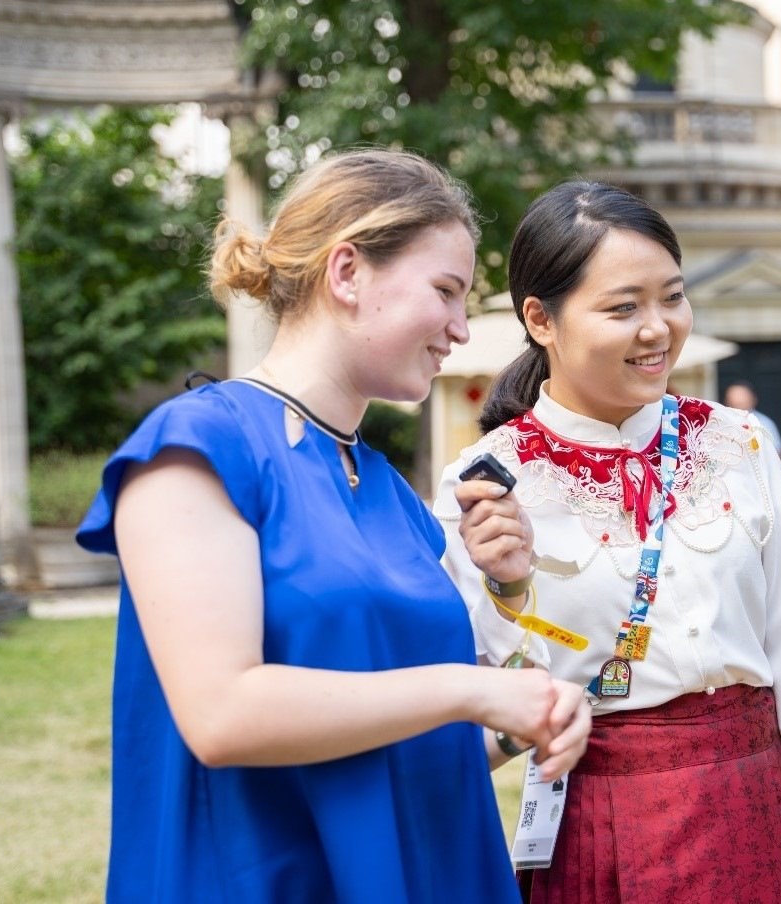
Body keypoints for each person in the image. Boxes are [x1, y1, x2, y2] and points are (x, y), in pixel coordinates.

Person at [75, 149, 591, 904]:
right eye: (445, 292)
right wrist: (472, 690)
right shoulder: (198, 447)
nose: (459, 328)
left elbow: (395, 740)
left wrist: (521, 719)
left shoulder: (393, 496)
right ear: (347, 272)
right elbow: (221, 714)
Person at [435, 181, 781, 904]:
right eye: (623, 308)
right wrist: (506, 588)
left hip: (764, 810)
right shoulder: (486, 484)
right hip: (601, 828)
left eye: (672, 298)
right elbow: (490, 701)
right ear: (541, 319)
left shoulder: (738, 443)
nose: (657, 329)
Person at [723, 381, 781, 460]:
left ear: (753, 399)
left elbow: (778, 454)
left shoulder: (764, 423)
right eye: (733, 397)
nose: (738, 401)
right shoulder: (721, 422)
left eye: (742, 396)